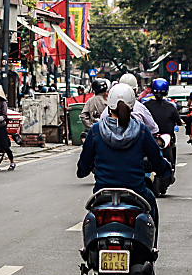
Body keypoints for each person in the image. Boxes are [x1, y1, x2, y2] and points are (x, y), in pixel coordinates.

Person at [77, 82, 171, 224]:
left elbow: (83, 165)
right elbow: (157, 160)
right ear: (133, 104)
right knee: (151, 202)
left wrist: (84, 170)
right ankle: (153, 247)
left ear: (109, 104)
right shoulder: (141, 130)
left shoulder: (95, 130)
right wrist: (165, 170)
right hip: (136, 192)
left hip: (102, 193)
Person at [143, 77, 183, 173]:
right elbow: (178, 121)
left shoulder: (145, 105)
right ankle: (171, 167)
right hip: (165, 140)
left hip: (150, 138)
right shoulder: (171, 106)